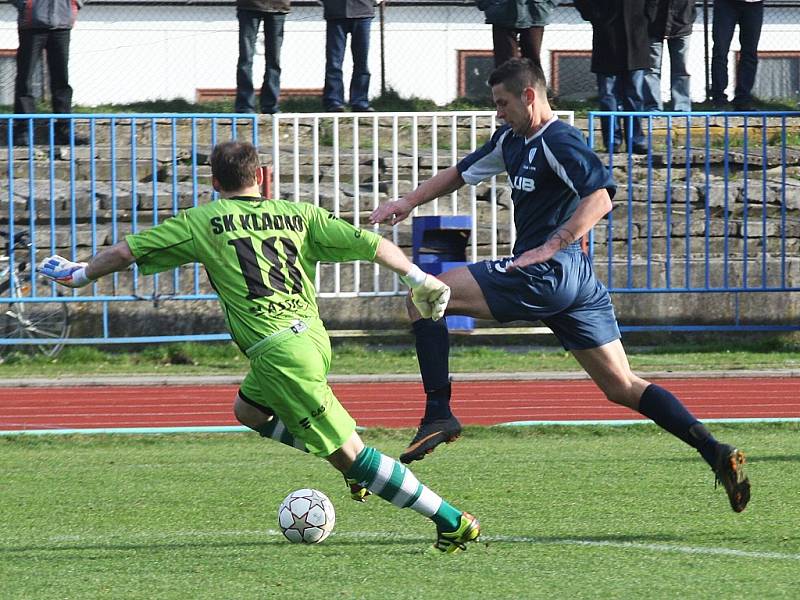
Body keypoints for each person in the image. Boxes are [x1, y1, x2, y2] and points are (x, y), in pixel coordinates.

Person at [38, 140, 481, 554]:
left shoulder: (203, 221)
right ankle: (348, 464)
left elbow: (123, 253)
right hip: (311, 338)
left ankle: (450, 520)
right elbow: (373, 243)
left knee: (354, 455)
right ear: (263, 177)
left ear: (215, 184)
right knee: (248, 412)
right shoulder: (299, 214)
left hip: (277, 352)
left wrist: (79, 275)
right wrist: (418, 278)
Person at [369, 58, 751, 514]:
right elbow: (460, 172)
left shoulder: (559, 139)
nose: (498, 112)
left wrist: (553, 244)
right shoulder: (512, 139)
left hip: (548, 271)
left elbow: (602, 196)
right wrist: (409, 200)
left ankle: (438, 413)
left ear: (529, 96)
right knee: (622, 386)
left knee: (423, 296)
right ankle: (714, 449)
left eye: (503, 103)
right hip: (572, 281)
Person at [574, 0, 649, 154]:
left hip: (636, 34)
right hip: (607, 36)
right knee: (608, 95)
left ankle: (635, 140)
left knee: (634, 94)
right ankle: (612, 141)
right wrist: (594, 16)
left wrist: (648, 15)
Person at [14, 0, 88, 146]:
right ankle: (23, 131)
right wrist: (26, 4)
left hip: (62, 24)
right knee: (25, 79)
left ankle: (64, 130)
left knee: (61, 80)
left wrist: (75, 3)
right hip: (32, 24)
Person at [235, 0, 290, 114]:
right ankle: (245, 105)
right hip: (249, 5)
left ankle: (270, 105)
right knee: (246, 58)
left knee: (274, 60)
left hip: (278, 6)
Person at [321, 0, 376, 112]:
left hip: (363, 10)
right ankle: (333, 101)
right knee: (334, 62)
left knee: (361, 62)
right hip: (335, 12)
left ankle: (360, 102)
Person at [642, 0, 696, 112]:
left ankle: (682, 108)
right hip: (654, 22)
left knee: (681, 69)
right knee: (652, 69)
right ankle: (652, 107)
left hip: (682, 22)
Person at [710, 0, 764, 111]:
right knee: (720, 51)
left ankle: (743, 100)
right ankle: (719, 100)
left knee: (750, 53)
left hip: (754, 4)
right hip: (726, 4)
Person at [477, 0, 559, 68]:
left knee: (533, 63)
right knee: (505, 63)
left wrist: (549, 4)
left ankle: (534, 87)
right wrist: (486, 3)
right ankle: (507, 87)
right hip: (501, 14)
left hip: (535, 12)